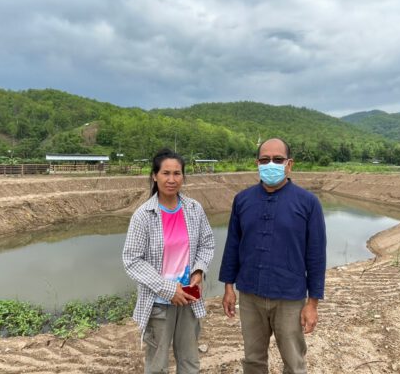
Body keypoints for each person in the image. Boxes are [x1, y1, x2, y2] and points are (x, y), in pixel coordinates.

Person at [219, 138, 327, 374]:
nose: (271, 164)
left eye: (278, 159)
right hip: (249, 294)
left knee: (294, 361)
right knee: (253, 359)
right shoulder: (242, 200)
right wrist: (228, 287)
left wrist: (312, 303)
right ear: (257, 163)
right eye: (265, 159)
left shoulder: (308, 203)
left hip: (289, 297)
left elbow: (316, 256)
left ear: (289, 164)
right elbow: (233, 245)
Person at [123, 148, 215, 374]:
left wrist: (198, 271)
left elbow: (207, 243)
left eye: (177, 173)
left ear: (183, 176)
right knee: (157, 365)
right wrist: (168, 289)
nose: (171, 179)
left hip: (188, 298)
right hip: (158, 302)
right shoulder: (144, 215)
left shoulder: (193, 209)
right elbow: (132, 260)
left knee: (189, 360)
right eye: (165, 173)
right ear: (155, 176)